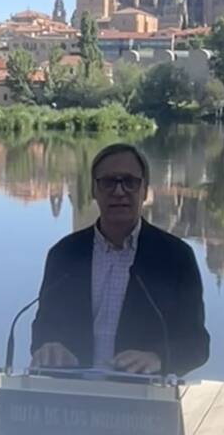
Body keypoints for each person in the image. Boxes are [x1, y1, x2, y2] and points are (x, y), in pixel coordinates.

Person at [30, 143, 209, 376]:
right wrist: (48, 348)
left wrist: (159, 358)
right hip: (73, 396)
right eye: (108, 182)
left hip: (142, 400)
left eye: (130, 182)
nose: (118, 191)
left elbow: (196, 345)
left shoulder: (176, 257)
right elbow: (42, 330)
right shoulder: (64, 255)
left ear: (145, 190)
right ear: (94, 190)